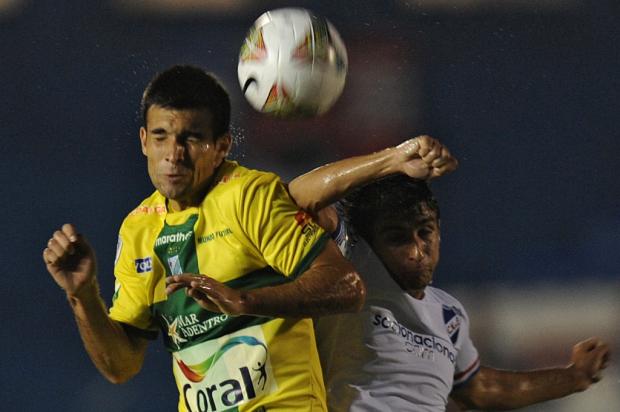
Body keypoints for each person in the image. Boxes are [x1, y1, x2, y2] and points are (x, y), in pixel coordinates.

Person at [41, 65, 367, 412]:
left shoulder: (250, 196)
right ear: (143, 141)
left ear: (222, 146)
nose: (174, 154)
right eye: (161, 136)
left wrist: (245, 302)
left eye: (191, 138)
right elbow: (120, 366)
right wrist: (83, 294)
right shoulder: (138, 230)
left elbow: (347, 286)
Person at [288, 136, 611, 411]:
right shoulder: (350, 272)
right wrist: (394, 158)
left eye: (425, 233)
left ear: (439, 231)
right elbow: (297, 198)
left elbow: (480, 387)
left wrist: (574, 377)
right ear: (369, 243)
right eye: (397, 238)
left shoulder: (447, 313)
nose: (417, 251)